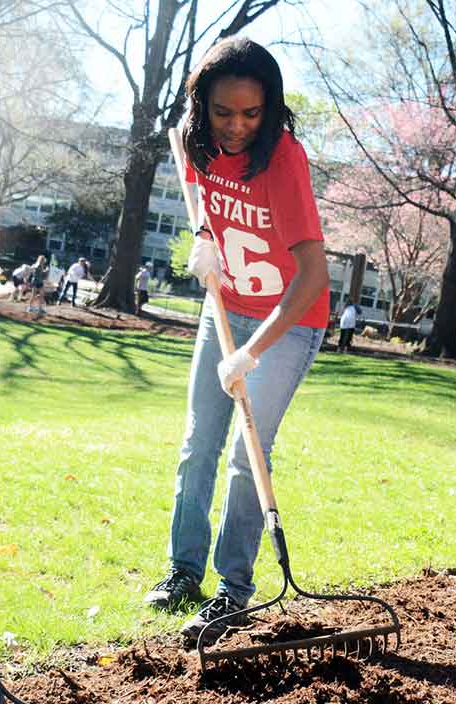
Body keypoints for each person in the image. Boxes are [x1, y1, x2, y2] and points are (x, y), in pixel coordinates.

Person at [140, 38, 330, 646]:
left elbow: (314, 277)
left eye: (251, 113)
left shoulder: (283, 160)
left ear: (269, 108)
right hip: (226, 307)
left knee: (248, 451)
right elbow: (203, 204)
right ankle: (182, 571)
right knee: (199, 442)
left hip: (289, 320)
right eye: (224, 112)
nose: (238, 125)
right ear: (205, 106)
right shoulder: (195, 144)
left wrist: (252, 352)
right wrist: (203, 240)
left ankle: (234, 592)